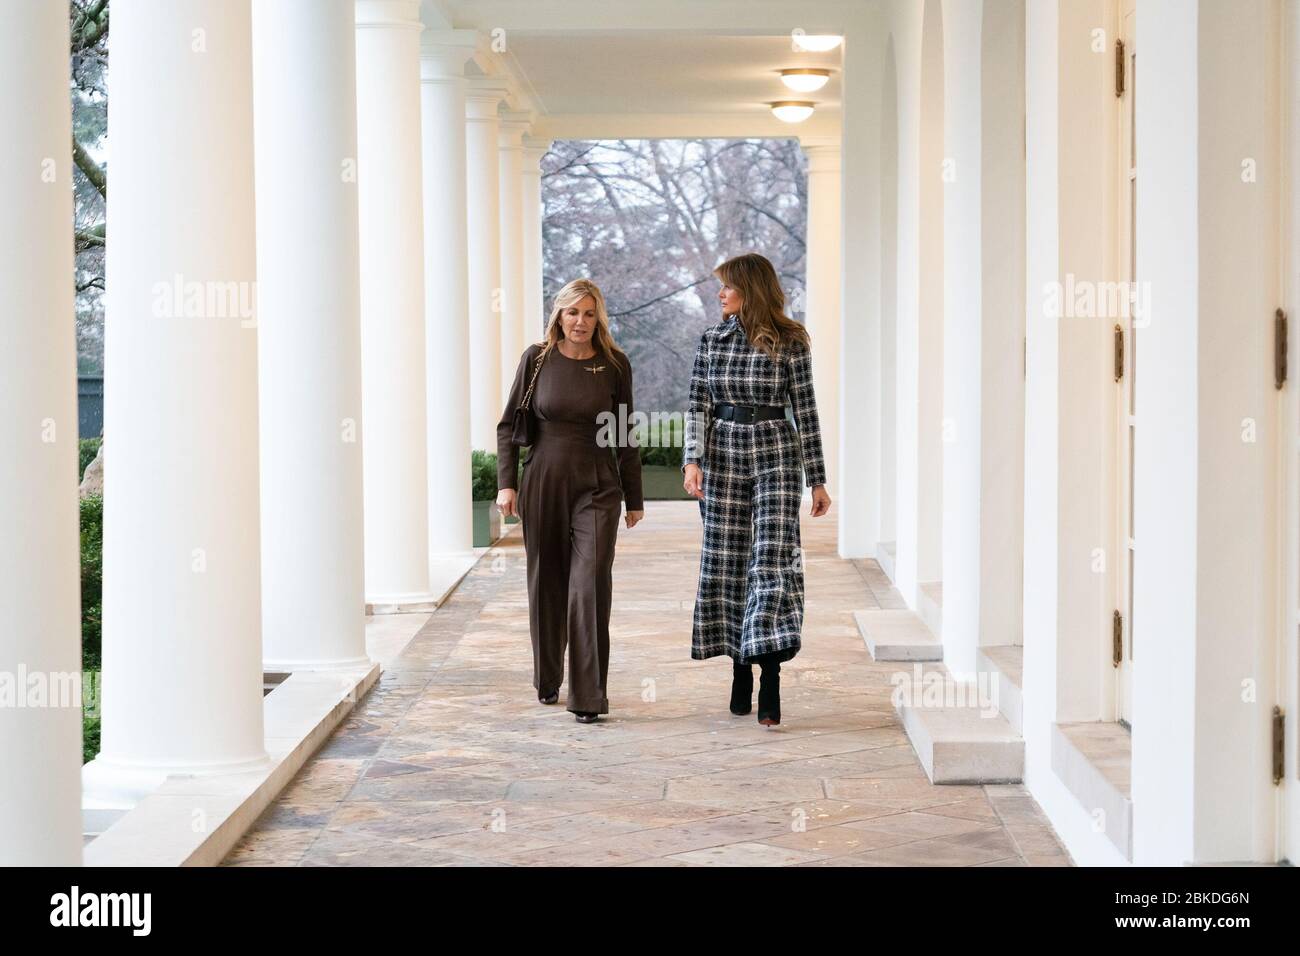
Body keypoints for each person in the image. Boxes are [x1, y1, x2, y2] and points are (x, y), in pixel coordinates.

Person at [682, 252, 832, 727]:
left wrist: (818, 479)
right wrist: (691, 460)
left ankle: (770, 677)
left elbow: (805, 410)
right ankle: (739, 669)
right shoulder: (712, 339)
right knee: (726, 563)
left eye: (727, 286)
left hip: (775, 456)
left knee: (770, 561)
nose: (720, 294)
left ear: (749, 289)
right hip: (722, 456)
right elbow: (697, 405)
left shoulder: (791, 342)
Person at [497, 279, 645, 724]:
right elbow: (508, 426)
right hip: (543, 480)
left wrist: (633, 496)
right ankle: (547, 678)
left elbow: (625, 434)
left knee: (590, 582)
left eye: (588, 312)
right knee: (547, 581)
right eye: (572, 313)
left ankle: (589, 696)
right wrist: (507, 484)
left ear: (599, 316)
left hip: (598, 486)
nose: (580, 322)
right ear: (558, 316)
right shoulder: (536, 359)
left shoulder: (615, 364)